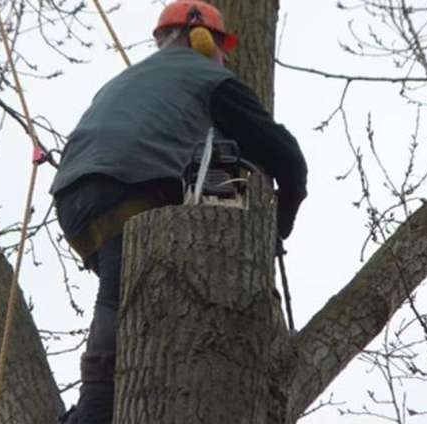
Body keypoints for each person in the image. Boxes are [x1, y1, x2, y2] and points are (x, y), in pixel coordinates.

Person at [52, 1, 307, 422]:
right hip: (132, 188)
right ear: (203, 39)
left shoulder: (124, 82)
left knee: (121, 295)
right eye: (223, 47)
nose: (227, 57)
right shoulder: (212, 77)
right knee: (224, 162)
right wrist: (281, 224)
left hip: (75, 199)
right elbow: (287, 158)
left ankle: (99, 404)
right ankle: (95, 412)